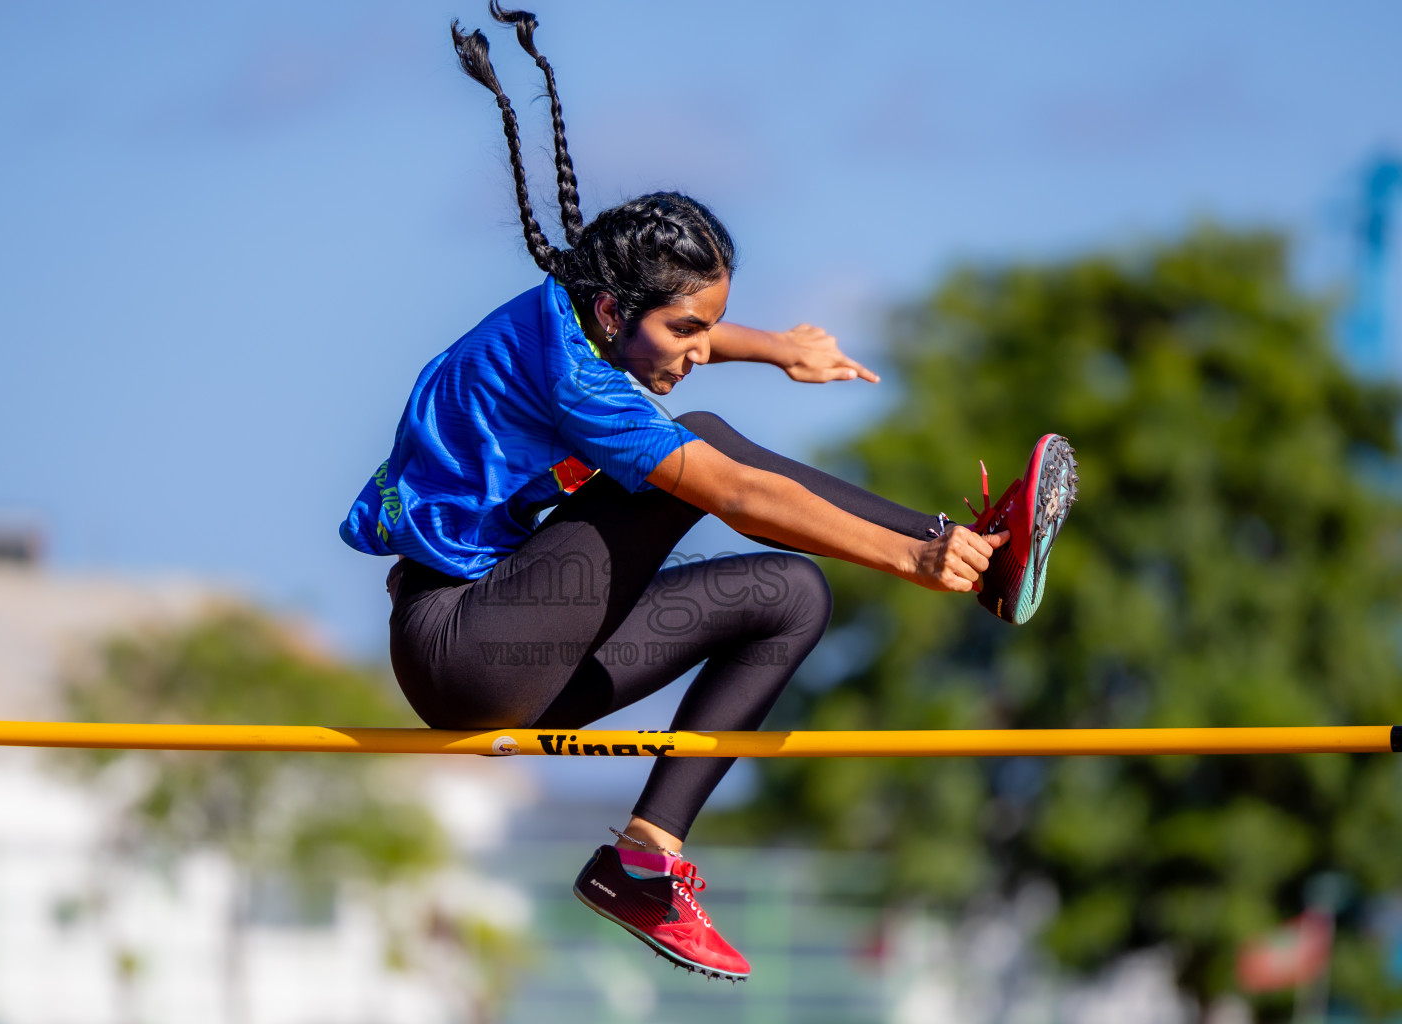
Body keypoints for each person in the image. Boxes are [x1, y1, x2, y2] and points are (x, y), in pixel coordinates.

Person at [340, 3, 1078, 982]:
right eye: (691, 332)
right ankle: (962, 553)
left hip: (527, 636)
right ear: (616, 308)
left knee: (792, 597)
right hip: (463, 647)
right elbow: (729, 488)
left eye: (709, 329)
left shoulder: (589, 310)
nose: (697, 351)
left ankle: (647, 858)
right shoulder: (578, 376)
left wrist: (771, 347)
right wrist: (909, 557)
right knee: (710, 445)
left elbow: (662, 332)